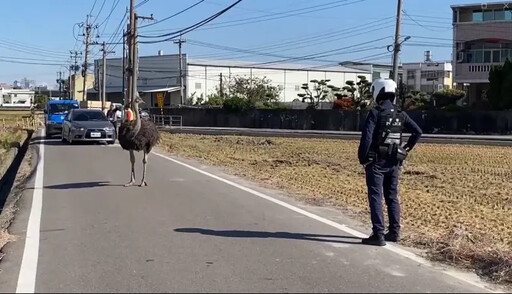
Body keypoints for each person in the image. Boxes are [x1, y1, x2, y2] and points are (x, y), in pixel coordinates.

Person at [357, 78, 422, 246]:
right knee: (392, 196)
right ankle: (394, 232)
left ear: (377, 92)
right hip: (394, 161)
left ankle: (378, 234)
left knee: (375, 196)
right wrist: (406, 149)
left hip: (377, 161)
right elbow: (417, 132)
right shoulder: (400, 113)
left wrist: (363, 158)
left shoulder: (376, 112)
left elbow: (367, 137)